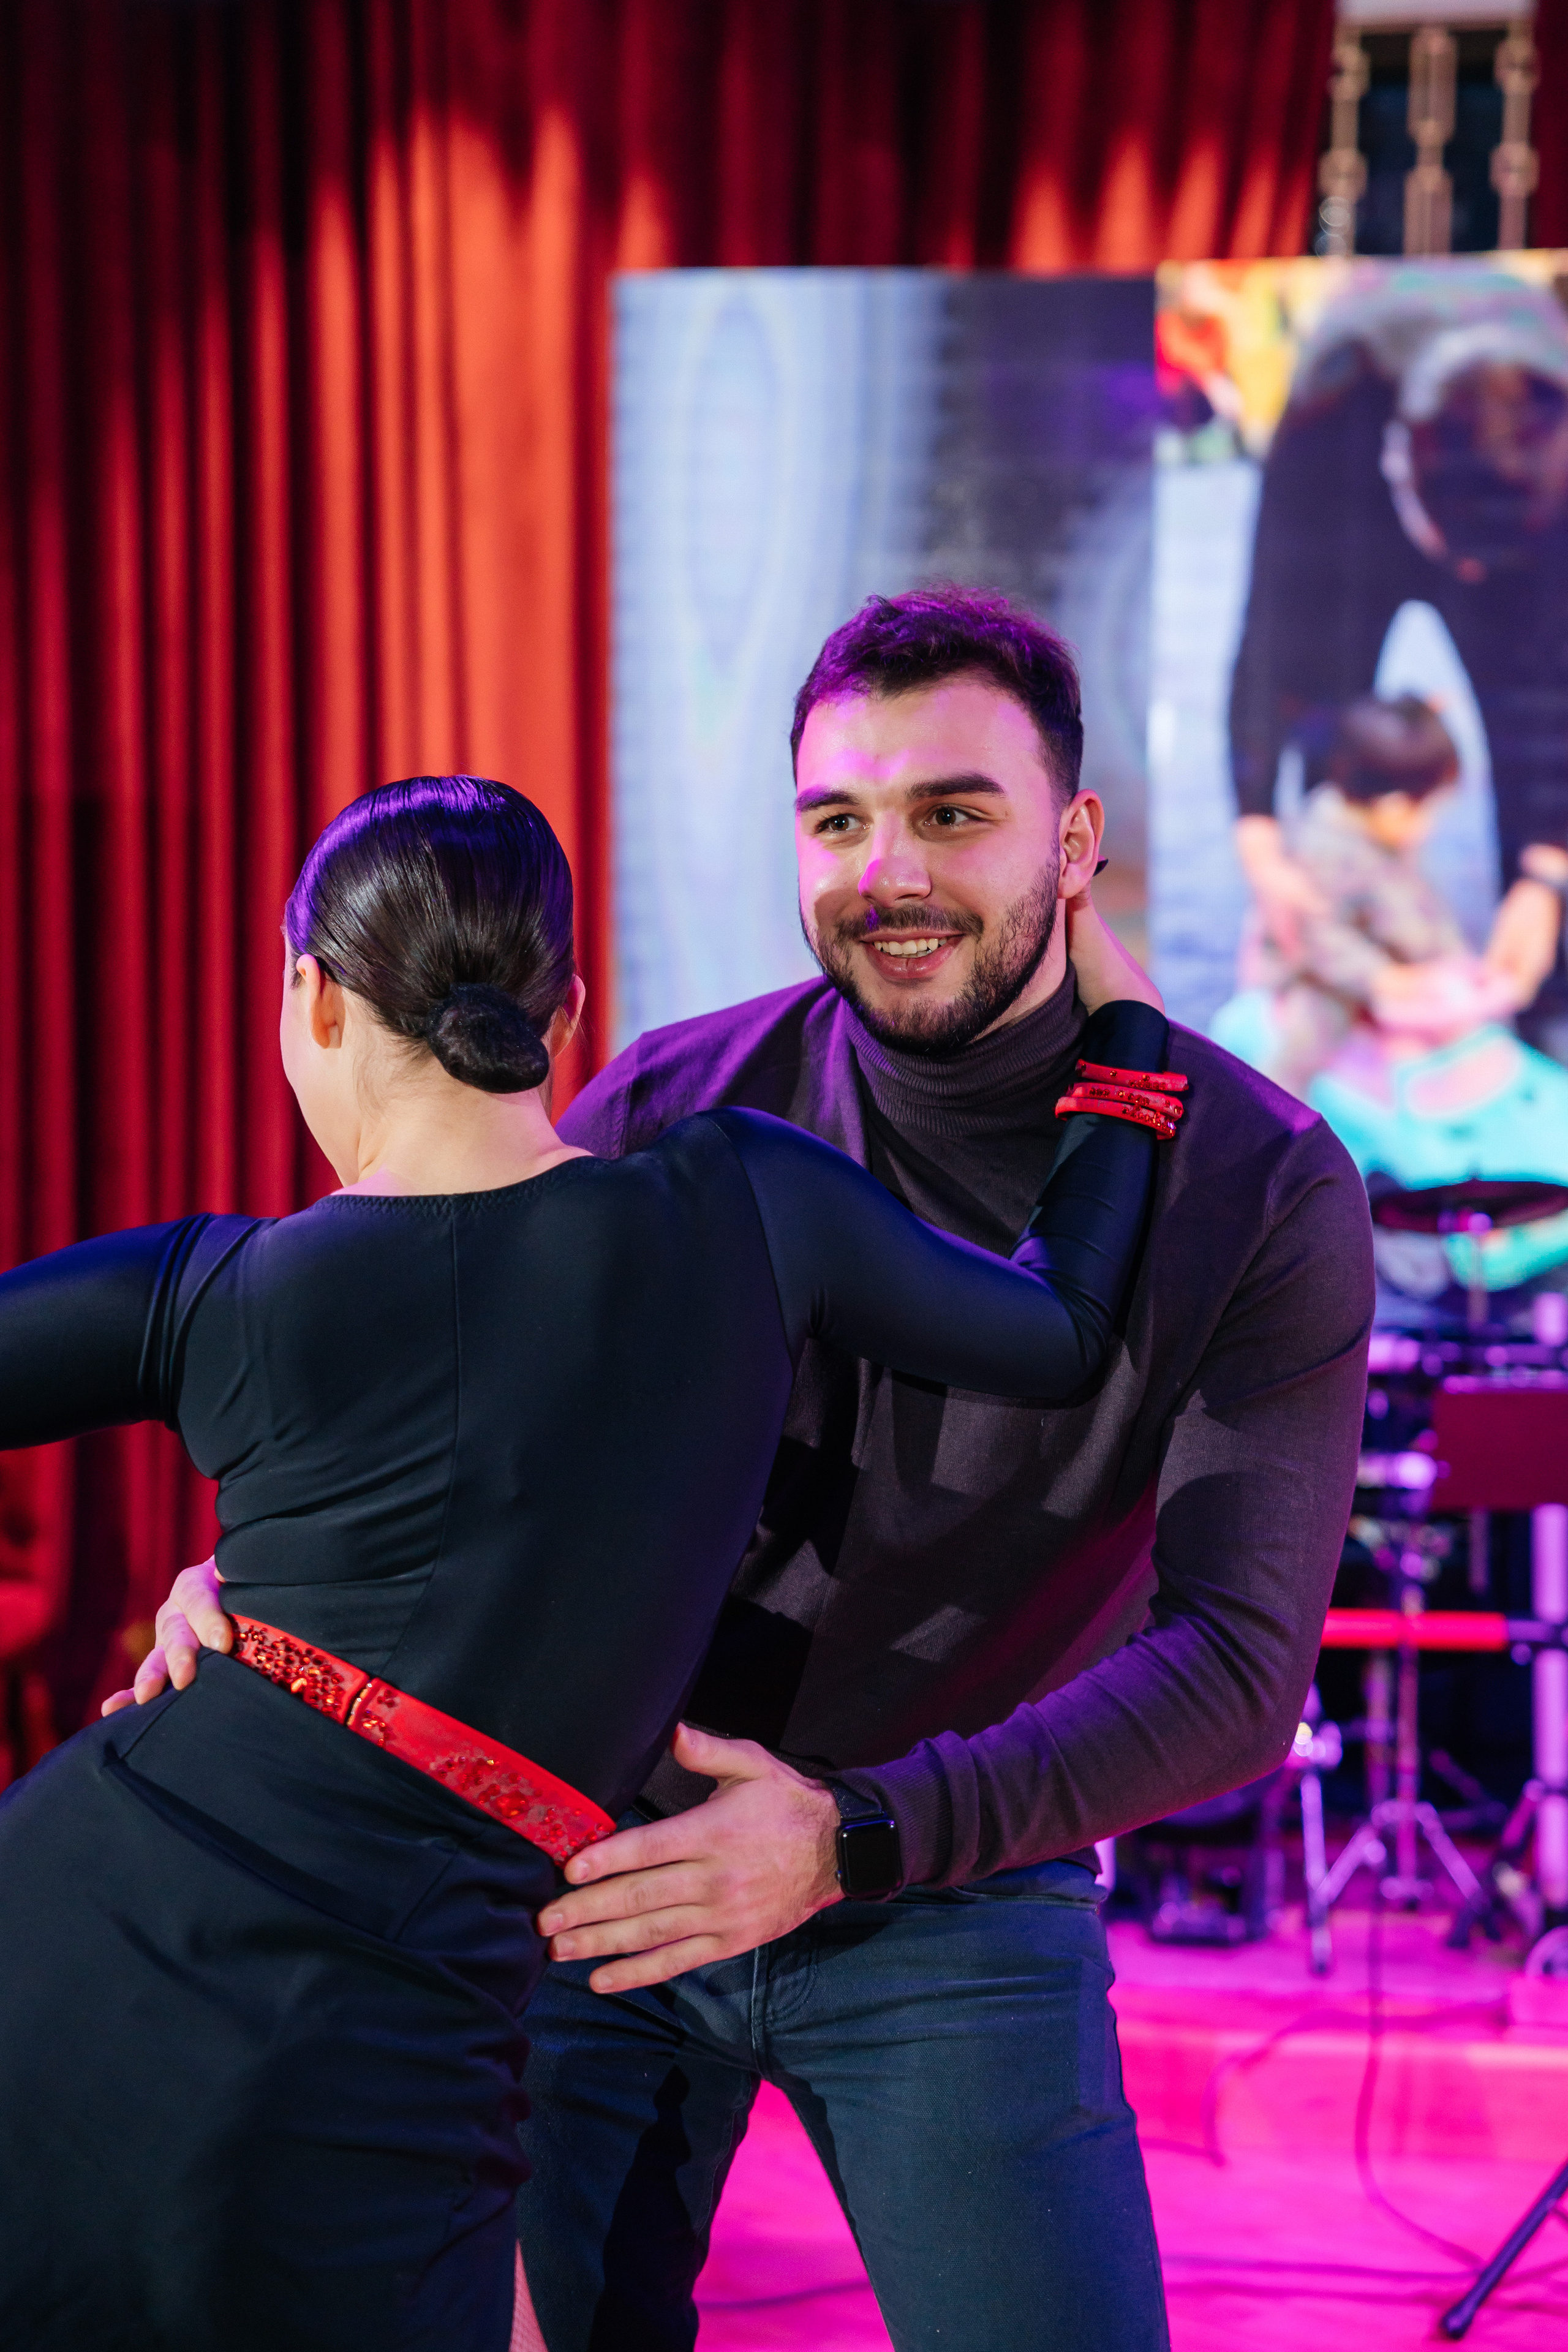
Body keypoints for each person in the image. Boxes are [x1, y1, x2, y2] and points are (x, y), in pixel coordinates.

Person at [140, 593, 1374, 2352]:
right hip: (596, 1858)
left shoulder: (1262, 1184)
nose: (892, 872)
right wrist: (269, 1588)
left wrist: (858, 1840)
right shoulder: (678, 1100)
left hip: (953, 1877)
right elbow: (471, 1450)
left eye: (955, 813)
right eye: (839, 820)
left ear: (1074, 841)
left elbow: (1241, 1675)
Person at [0, 772, 1179, 2351]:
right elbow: (1061, 1327)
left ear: (313, 993)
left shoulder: (223, 1287)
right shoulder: (742, 1199)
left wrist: (254, 1615)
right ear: (564, 1007)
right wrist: (1131, 1051)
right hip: (413, 1984)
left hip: (119, 1915)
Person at [1227, 268, 1568, 1035]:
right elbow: (1269, 640)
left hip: (1524, 516)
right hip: (1361, 483)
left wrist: (1548, 873)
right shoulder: (1329, 423)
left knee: (1526, 719)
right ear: (1405, 460)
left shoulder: (1554, 460)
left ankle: (1542, 978)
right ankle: (1338, 941)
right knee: (1330, 710)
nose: (1472, 577)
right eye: (1463, 555)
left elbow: (1558, 688)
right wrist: (1261, 844)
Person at [1216, 693, 1531, 1096]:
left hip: (1375, 934)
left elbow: (1415, 900)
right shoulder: (1327, 849)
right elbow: (1322, 939)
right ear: (1396, 807)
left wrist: (1450, 959)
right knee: (1318, 1024)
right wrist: (1380, 977)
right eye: (1429, 811)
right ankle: (1275, 1106)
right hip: (1320, 971)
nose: (1431, 825)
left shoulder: (1382, 828)